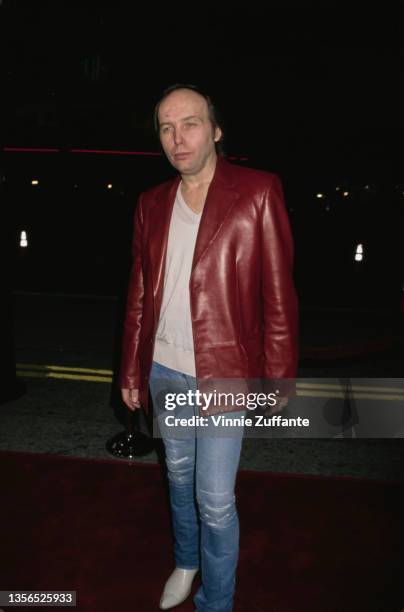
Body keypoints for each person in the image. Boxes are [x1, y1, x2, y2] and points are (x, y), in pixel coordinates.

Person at [119, 84, 298, 611]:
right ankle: (187, 560)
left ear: (216, 129)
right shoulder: (150, 203)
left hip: (225, 374)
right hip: (163, 370)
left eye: (190, 123)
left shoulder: (259, 191)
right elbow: (137, 294)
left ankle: (216, 602)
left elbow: (280, 295)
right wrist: (131, 370)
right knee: (177, 476)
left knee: (215, 500)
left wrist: (279, 376)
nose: (178, 137)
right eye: (167, 127)